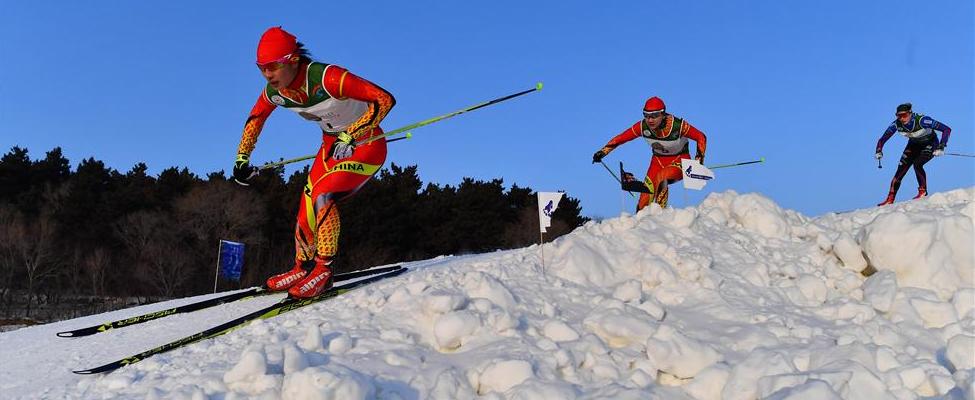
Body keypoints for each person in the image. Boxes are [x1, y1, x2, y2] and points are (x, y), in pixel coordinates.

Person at [232, 26, 395, 298]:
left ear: (293, 60)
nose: (267, 74)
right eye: (261, 68)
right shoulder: (276, 91)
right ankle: (303, 266)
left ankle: (324, 270)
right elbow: (256, 119)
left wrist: (351, 134)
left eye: (273, 66)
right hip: (330, 148)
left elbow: (384, 99)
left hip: (365, 145)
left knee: (324, 195)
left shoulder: (329, 78)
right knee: (306, 206)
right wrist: (242, 158)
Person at [592, 96, 707, 210]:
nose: (650, 120)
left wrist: (698, 163)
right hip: (657, 162)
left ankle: (660, 215)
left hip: (679, 160)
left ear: (663, 114)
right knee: (643, 201)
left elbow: (701, 137)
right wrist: (603, 152)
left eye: (654, 116)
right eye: (646, 116)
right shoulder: (643, 126)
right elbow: (622, 138)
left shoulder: (677, 125)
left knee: (662, 177)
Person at [875, 103, 951, 206]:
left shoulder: (922, 120)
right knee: (900, 170)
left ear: (910, 113)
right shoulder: (896, 124)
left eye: (904, 115)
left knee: (917, 164)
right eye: (899, 116)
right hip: (913, 145)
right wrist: (879, 150)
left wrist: (941, 146)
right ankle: (890, 199)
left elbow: (946, 129)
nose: (902, 118)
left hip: (930, 143)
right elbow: (882, 139)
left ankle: (922, 191)